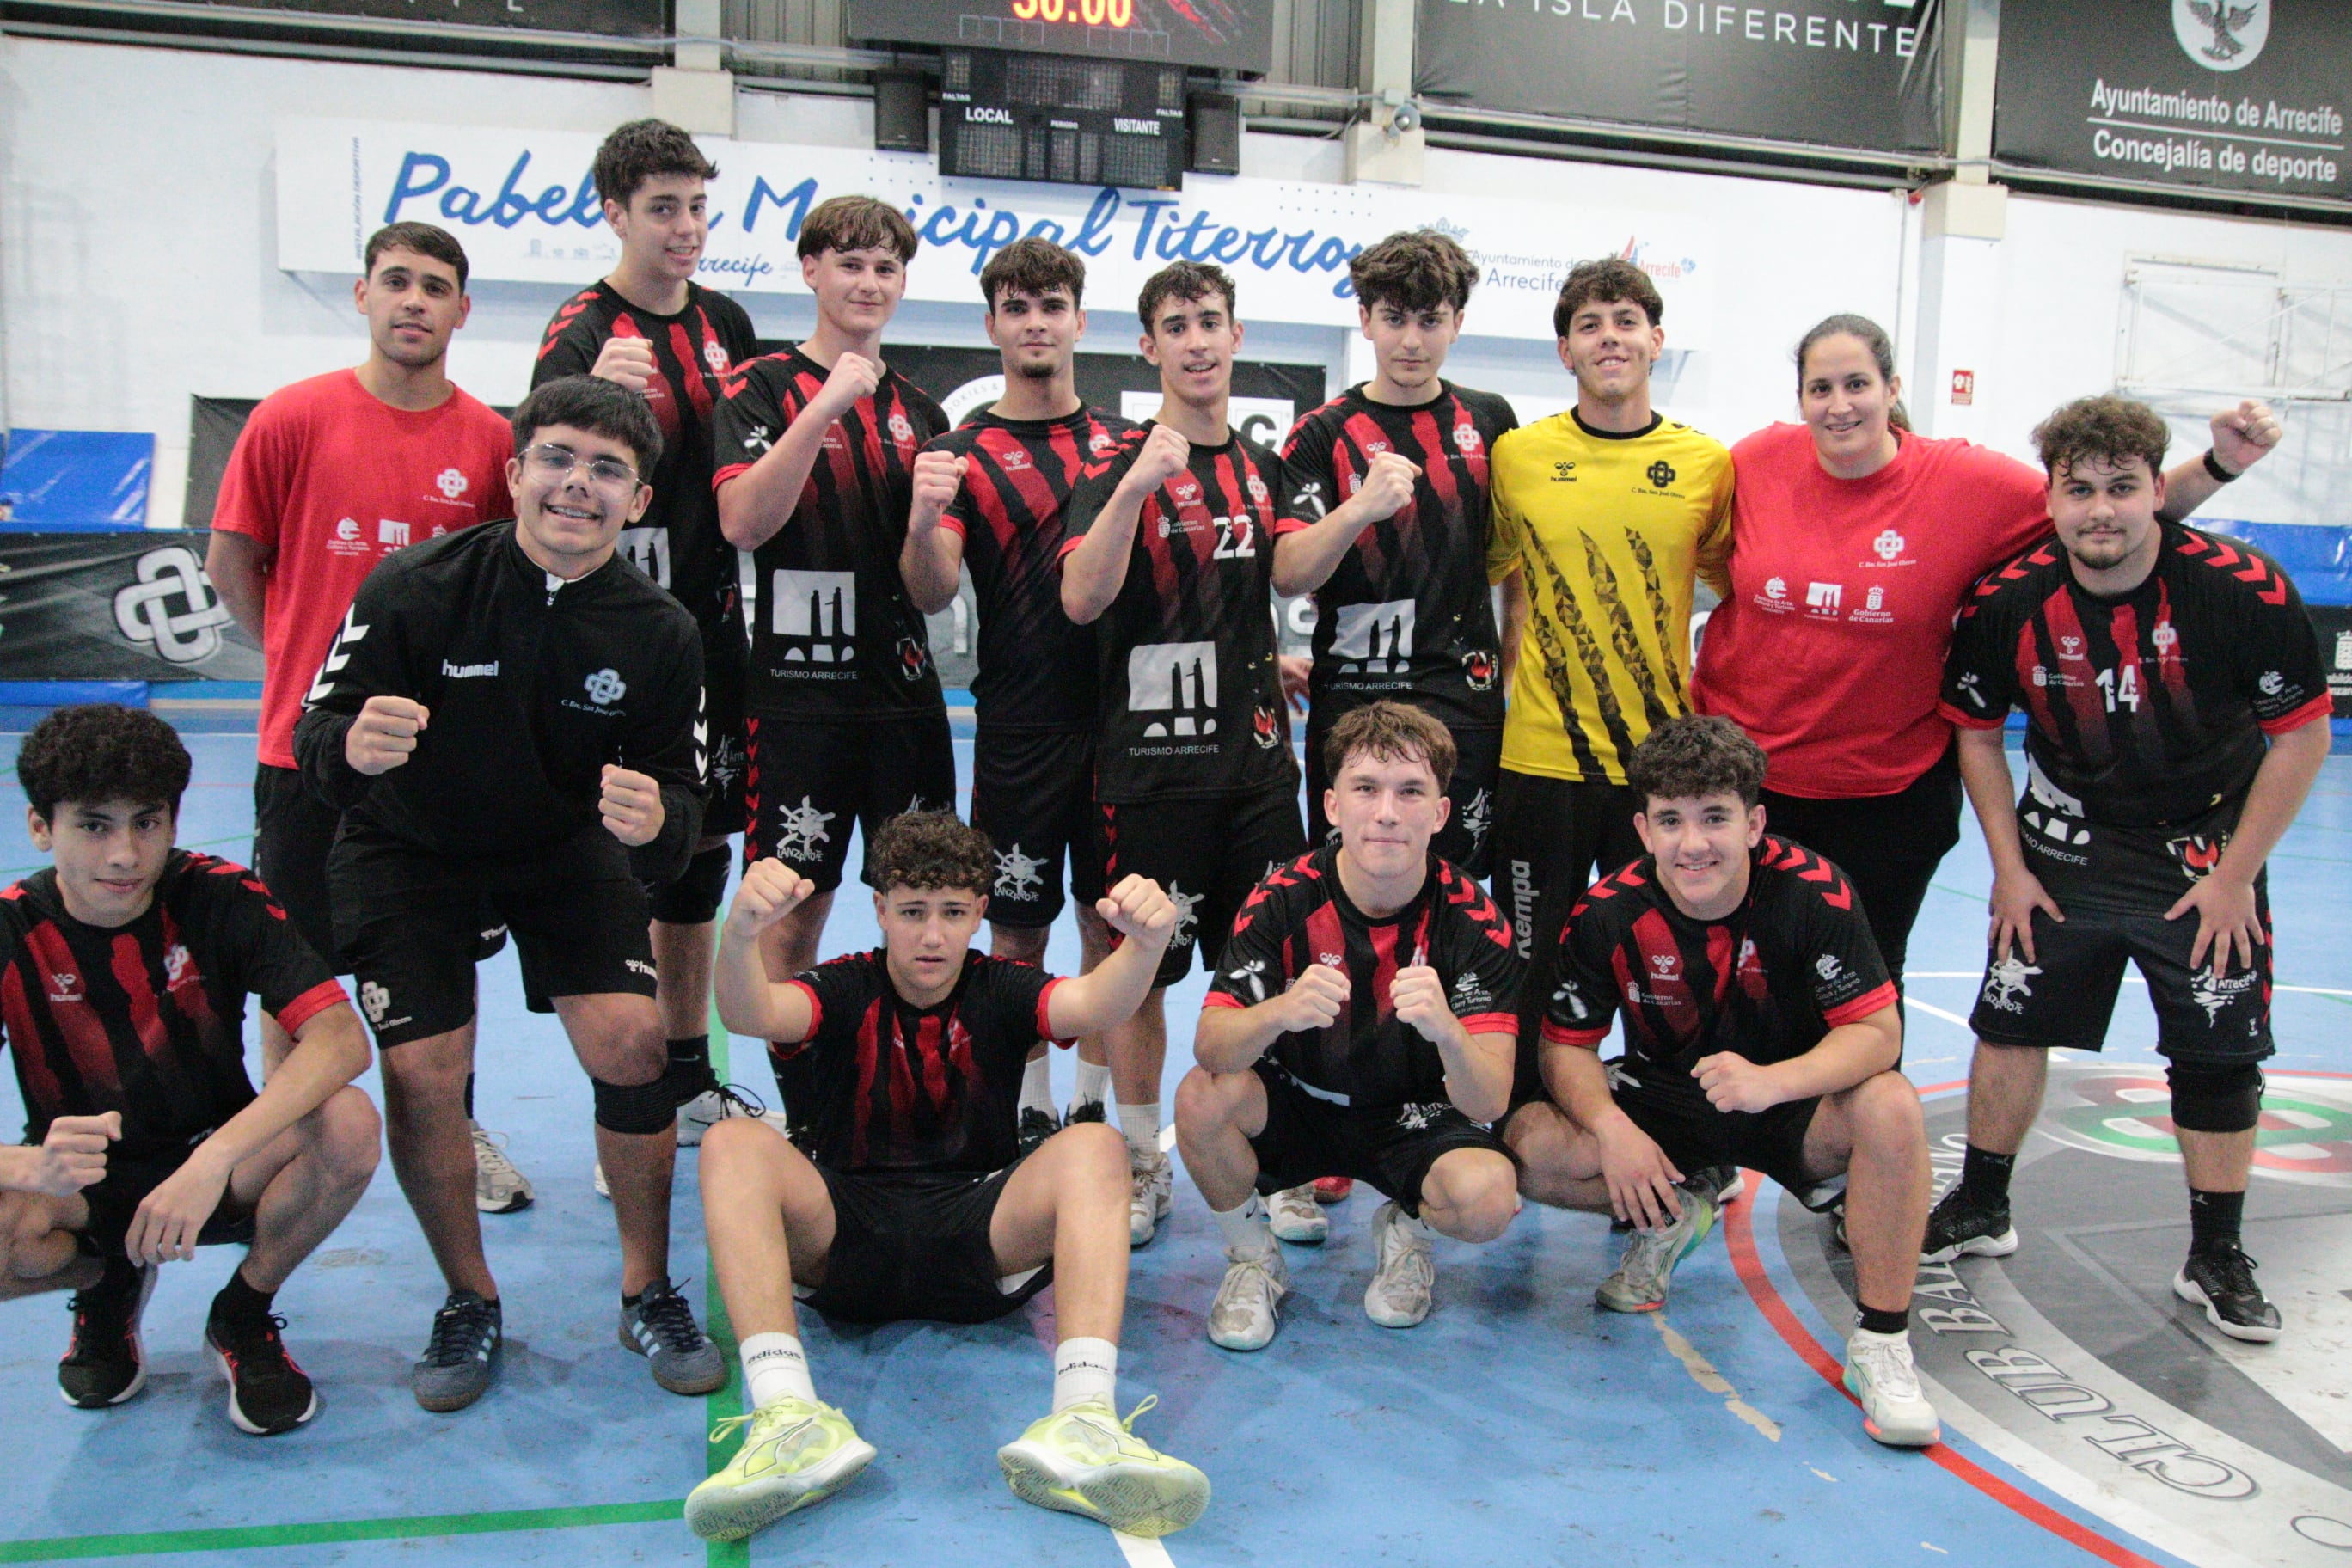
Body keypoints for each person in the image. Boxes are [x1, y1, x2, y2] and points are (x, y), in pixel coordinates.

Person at [295, 375, 720, 1411]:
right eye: (560, 460)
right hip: (410, 846)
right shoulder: (413, 586)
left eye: (608, 471)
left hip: (559, 846)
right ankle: (468, 1299)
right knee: (428, 1069)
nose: (580, 485)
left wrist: (656, 821)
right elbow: (316, 740)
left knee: (634, 1042)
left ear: (639, 502)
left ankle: (646, 1284)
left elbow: (685, 796)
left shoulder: (661, 630)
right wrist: (350, 746)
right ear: (515, 471)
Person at [1692, 314, 2283, 997]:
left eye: (1857, 383)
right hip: (1746, 779)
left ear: (1891, 388)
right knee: (1737, 979)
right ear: (1799, 399)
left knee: (1857, 985)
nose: (1839, 404)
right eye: (1820, 388)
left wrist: (2219, 465)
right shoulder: (1758, 459)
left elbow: (2101, 509)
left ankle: (1857, 1109)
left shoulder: (1963, 482)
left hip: (1886, 793)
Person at [683, 812, 1209, 1544]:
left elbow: (1096, 1004)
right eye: (913, 913)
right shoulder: (843, 988)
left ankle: (1083, 1419)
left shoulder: (1002, 987)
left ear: (979, 914)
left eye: (953, 913)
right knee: (734, 1143)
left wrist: (1147, 945)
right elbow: (749, 1012)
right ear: (880, 911)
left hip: (980, 1233)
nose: (932, 936)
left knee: (1094, 1146)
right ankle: (788, 1416)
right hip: (842, 1239)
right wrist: (739, 934)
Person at [1933, 394, 2331, 1343]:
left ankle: (2215, 1253)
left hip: (2205, 851)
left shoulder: (2243, 589)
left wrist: (2237, 875)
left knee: (2219, 1050)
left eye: (2122, 487)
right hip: (2064, 843)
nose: (2100, 509)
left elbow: (2304, 738)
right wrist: (2010, 866)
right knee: (2011, 1020)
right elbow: (1978, 736)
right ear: (2052, 498)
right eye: (2079, 490)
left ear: (2161, 489)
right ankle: (1983, 1203)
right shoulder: (2011, 601)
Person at [203, 222, 531, 1216]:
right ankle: (294, 1134)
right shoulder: (290, 419)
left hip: (440, 770)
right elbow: (231, 568)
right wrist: (309, 680)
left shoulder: (490, 443)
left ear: (463, 311)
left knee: (450, 966)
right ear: (362, 295)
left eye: (437, 287)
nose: (415, 301)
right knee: (293, 963)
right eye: (397, 282)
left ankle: (455, 1127)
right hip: (303, 761)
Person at [1499, 715, 1939, 1449]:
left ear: (1754, 821)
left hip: (1791, 1102)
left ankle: (1883, 1343)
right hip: (1665, 1102)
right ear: (1642, 828)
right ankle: (1677, 1206)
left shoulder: (1815, 894)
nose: (1692, 843)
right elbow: (1564, 1049)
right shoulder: (1609, 911)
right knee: (1523, 1142)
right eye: (1670, 820)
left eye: (1714, 818)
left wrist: (1773, 1081)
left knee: (1891, 1104)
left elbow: (1877, 1034)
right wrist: (1614, 1131)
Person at [0, 706, 379, 1436]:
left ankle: (242, 1314)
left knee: (349, 1122)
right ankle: (108, 1287)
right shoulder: (11, 929)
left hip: (223, 1166)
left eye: (146, 823)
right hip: (83, 1188)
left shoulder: (217, 895)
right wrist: (25, 1164)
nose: (124, 855)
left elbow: (340, 1041)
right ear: (42, 829)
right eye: (94, 826)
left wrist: (213, 1158)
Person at [1268, 231, 1519, 1234]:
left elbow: (1510, 565)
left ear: (1456, 322)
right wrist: (1361, 508)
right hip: (1353, 708)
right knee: (1342, 905)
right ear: (1364, 320)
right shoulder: (1321, 435)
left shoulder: (1490, 421)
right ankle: (1329, 1118)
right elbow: (1290, 572)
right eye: (1394, 317)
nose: (1412, 339)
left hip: (1461, 707)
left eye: (1431, 318)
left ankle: (1441, 1121)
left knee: (1453, 908)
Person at [1061, 260, 1308, 1246]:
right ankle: (1135, 1160)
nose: (1198, 340)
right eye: (1177, 325)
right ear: (1148, 348)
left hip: (1255, 771)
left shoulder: (1263, 466)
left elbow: (1275, 578)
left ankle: (1282, 1159)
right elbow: (1081, 598)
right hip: (1150, 773)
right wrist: (1132, 492)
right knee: (1142, 975)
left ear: (1236, 338)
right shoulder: (1112, 459)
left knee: (1276, 973)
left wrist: (1275, 658)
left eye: (1212, 322)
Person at [535, 119, 764, 1154]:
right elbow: (542, 467)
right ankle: (621, 1105)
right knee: (610, 854)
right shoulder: (583, 325)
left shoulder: (726, 321)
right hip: (609, 631)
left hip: (709, 633)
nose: (685, 228)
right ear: (616, 212)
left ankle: (687, 1068)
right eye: (663, 207)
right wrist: (603, 401)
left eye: (697, 207)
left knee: (696, 847)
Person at [1175, 701, 1522, 1348]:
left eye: (1411, 791)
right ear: (1333, 805)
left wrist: (1448, 1028)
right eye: (1366, 789)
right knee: (1202, 1096)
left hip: (1416, 1117)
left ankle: (1408, 1233)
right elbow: (1211, 1047)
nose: (1387, 811)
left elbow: (1490, 1098)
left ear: (1441, 814)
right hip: (1302, 1105)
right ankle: (1254, 1258)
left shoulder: (1476, 921)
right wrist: (1281, 1011)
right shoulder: (1282, 897)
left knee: (1487, 1197)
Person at [713, 195, 952, 1127]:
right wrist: (823, 407)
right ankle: (798, 1110)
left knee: (925, 906)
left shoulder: (923, 411)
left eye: (886, 268)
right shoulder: (759, 388)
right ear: (810, 270)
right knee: (790, 914)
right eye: (850, 262)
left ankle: (921, 1094)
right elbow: (743, 522)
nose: (868, 282)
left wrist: (930, 517)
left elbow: (932, 592)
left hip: (900, 698)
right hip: (796, 699)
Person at [1483, 256, 1735, 1135]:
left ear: (1657, 340)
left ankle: (1680, 1124)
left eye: (1627, 320)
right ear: (1564, 350)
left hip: (1658, 770)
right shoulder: (1519, 457)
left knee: (1665, 955)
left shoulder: (1706, 465)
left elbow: (1730, 585)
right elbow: (1500, 582)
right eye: (1590, 325)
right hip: (1541, 758)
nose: (1610, 338)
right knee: (1531, 955)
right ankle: (1520, 1121)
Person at [898, 236, 1131, 1157]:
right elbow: (929, 589)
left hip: (1121, 728)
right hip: (1020, 727)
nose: (1037, 323)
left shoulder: (1121, 444)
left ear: (1079, 319)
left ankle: (1091, 1106)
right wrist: (921, 513)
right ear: (993, 322)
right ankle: (1025, 1105)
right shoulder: (959, 453)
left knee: (1110, 927)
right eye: (1018, 306)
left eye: (1053, 305)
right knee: (1018, 935)